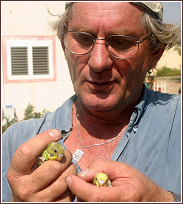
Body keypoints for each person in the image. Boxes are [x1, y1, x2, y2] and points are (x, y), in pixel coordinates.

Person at [2, 2, 181, 202]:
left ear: (155, 53)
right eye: (83, 39)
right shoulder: (16, 143)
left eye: (121, 42)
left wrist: (160, 199)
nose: (98, 62)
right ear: (64, 45)